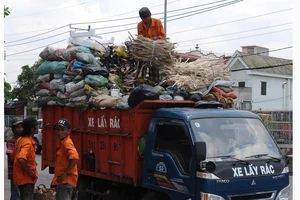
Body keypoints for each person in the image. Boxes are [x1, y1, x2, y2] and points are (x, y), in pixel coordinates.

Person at [51, 118, 80, 200]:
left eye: (63, 130)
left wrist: (65, 173)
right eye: (58, 130)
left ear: (68, 131)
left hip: (65, 182)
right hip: (62, 182)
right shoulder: (62, 143)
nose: (59, 132)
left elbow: (74, 158)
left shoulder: (67, 143)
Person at [136, 7, 166, 84]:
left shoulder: (157, 22)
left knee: (154, 66)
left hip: (155, 49)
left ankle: (154, 82)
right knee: (141, 64)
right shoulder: (140, 25)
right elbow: (140, 38)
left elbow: (162, 35)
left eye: (146, 18)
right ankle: (139, 81)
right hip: (145, 49)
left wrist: (155, 39)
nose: (145, 20)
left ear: (150, 16)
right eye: (143, 19)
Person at [12, 117, 39, 200]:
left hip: (20, 178)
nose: (38, 128)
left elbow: (13, 156)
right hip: (27, 179)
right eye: (37, 126)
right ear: (32, 129)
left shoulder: (21, 139)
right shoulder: (27, 142)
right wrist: (31, 173)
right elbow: (21, 158)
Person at [6, 117, 23, 200]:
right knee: (15, 195)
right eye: (17, 127)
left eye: (21, 127)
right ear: (13, 129)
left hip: (22, 174)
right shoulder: (12, 141)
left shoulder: (23, 140)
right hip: (15, 173)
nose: (20, 129)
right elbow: (11, 157)